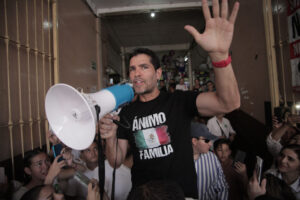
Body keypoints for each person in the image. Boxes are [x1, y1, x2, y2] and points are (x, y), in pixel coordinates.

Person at [99, 0, 240, 198]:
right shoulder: (126, 113)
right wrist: (110, 136)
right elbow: (116, 161)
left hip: (179, 194)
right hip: (143, 195)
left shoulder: (179, 101)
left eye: (144, 67)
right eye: (132, 69)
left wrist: (220, 55)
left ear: (158, 74)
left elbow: (229, 103)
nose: (136, 73)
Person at [191, 122, 228, 199]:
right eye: (207, 140)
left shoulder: (213, 158)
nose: (210, 144)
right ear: (194, 141)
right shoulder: (177, 160)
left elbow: (222, 186)